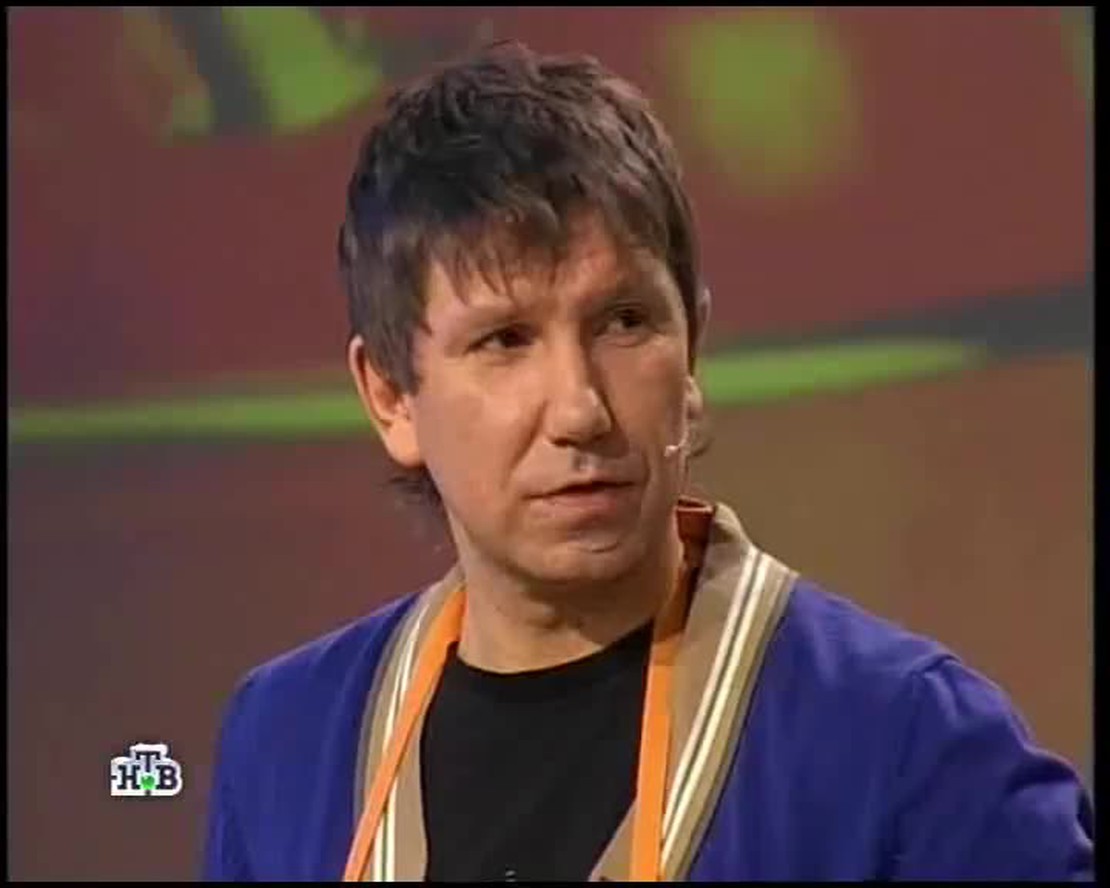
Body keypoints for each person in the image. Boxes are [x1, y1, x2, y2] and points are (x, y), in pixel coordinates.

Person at [202, 40, 1094, 882]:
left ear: (692, 347)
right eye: (506, 340)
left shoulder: (907, 744)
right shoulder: (288, 740)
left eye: (625, 323)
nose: (581, 410)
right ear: (392, 396)